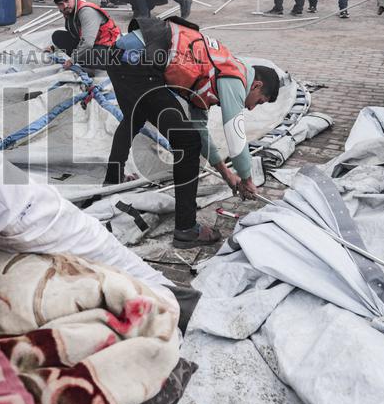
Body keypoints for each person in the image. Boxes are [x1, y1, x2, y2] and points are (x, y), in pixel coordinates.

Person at [104, 16, 280, 247]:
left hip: (123, 59)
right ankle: (186, 229)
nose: (251, 107)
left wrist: (228, 175)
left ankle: (111, 180)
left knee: (139, 119)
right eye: (259, 101)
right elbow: (236, 138)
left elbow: (201, 132)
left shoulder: (214, 74)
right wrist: (247, 178)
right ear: (256, 85)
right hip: (137, 63)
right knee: (186, 142)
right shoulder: (234, 77)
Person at [49, 0, 121, 70]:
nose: (65, 6)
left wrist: (72, 60)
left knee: (89, 57)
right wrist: (55, 48)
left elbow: (87, 42)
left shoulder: (86, 11)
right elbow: (75, 34)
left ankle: (91, 66)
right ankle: (86, 62)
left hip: (109, 47)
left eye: (67, 0)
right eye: (61, 4)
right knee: (57, 36)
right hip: (94, 44)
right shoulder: (69, 11)